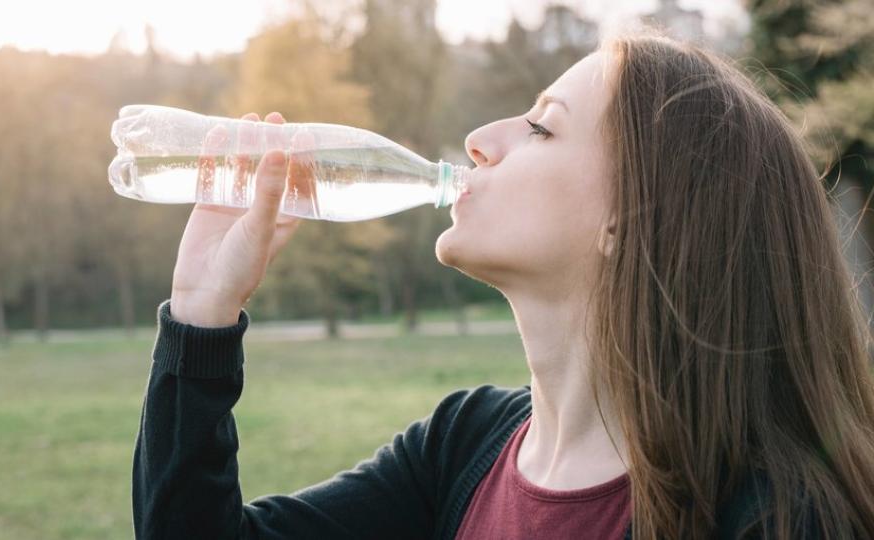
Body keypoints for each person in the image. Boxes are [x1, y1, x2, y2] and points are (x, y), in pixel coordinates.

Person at [132, 33, 874, 539]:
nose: (481, 140)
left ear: (632, 218)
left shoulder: (775, 518)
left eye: (542, 127)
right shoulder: (462, 447)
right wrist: (202, 312)